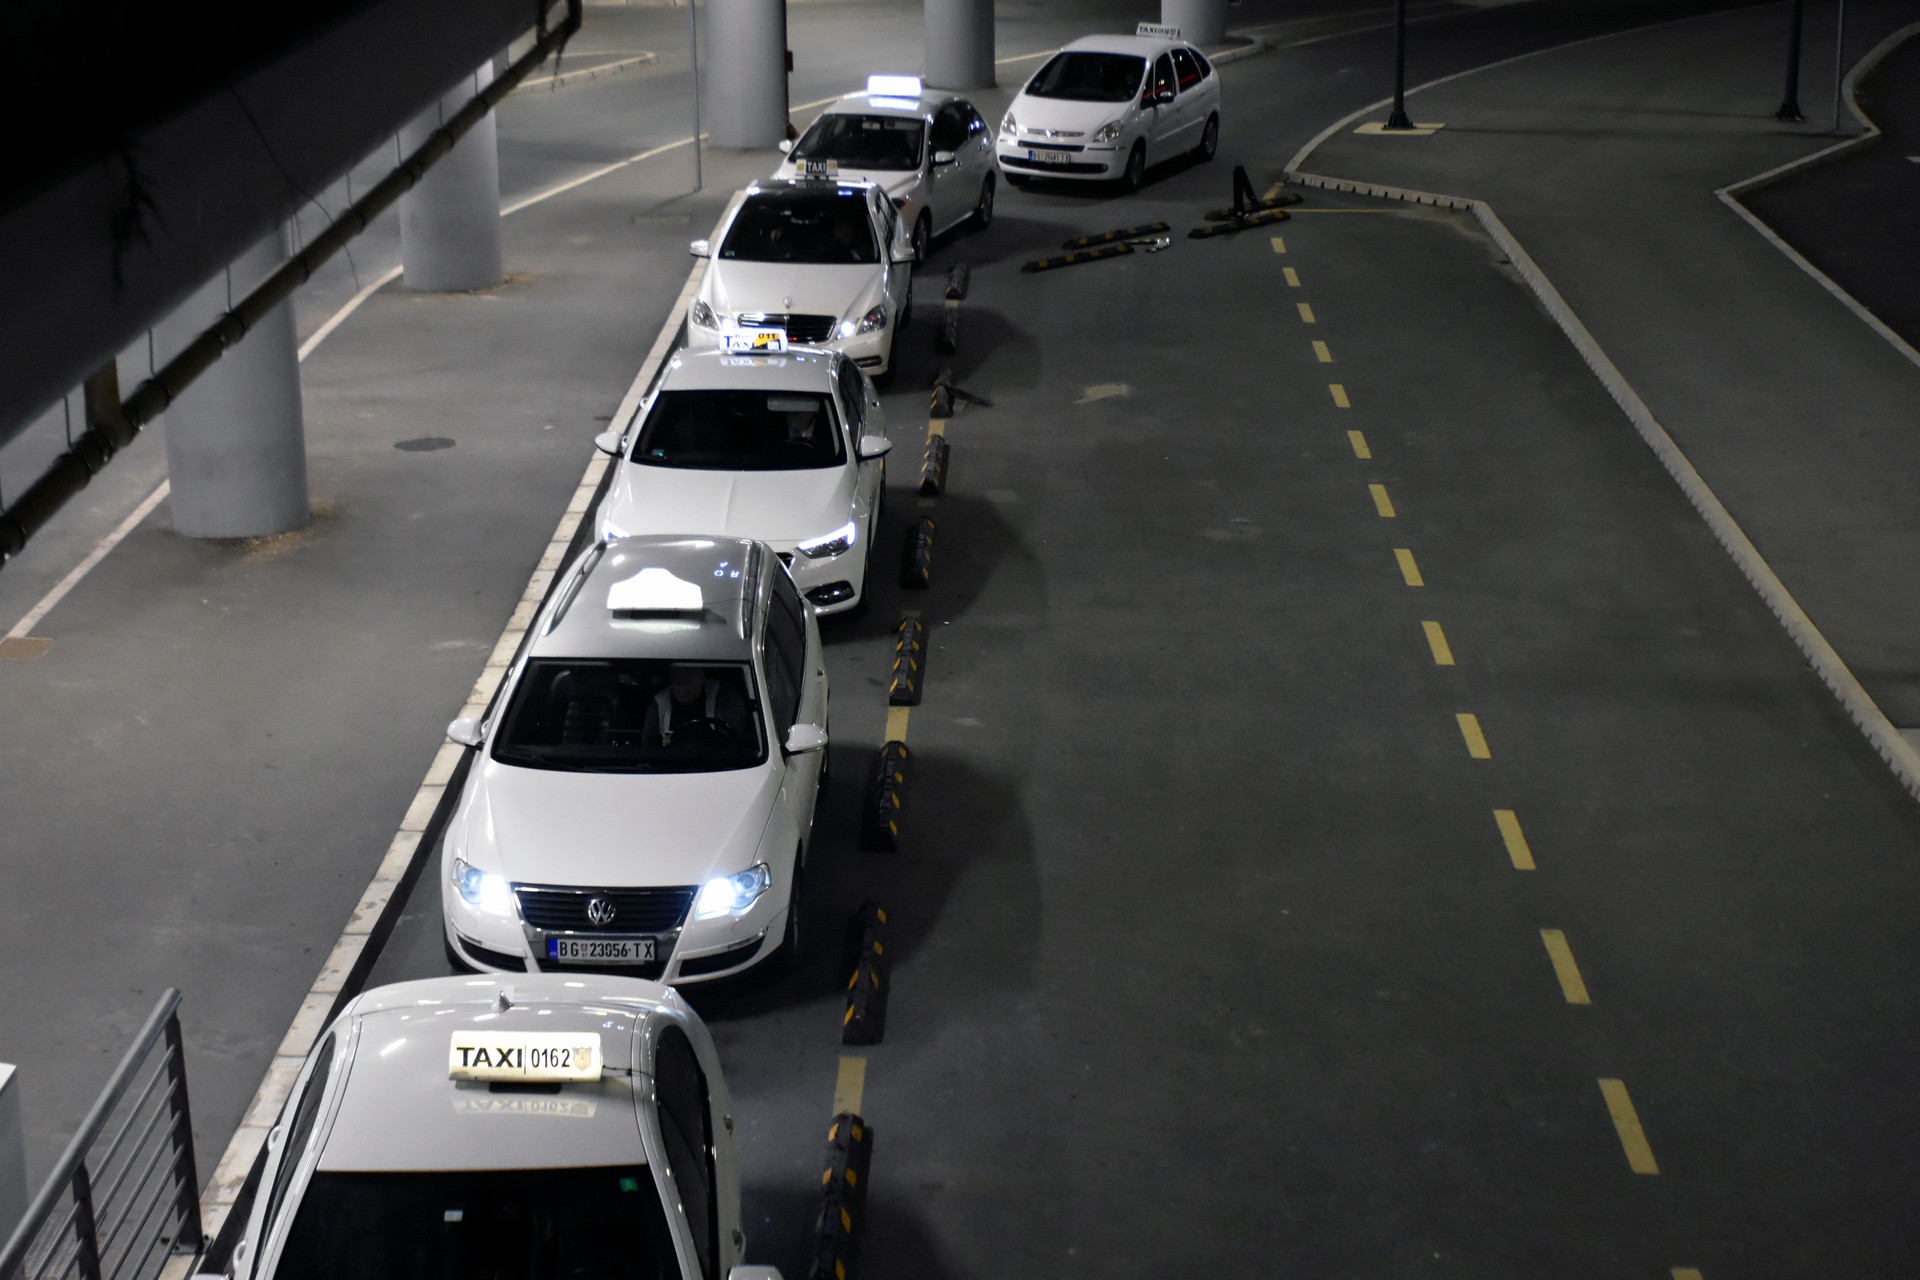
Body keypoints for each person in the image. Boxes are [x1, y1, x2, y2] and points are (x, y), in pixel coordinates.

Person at [642, 664, 752, 750]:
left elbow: (736, 739)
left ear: (701, 677)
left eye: (688, 679)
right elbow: (647, 743)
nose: (683, 688)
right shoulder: (659, 704)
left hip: (717, 765)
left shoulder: (724, 696)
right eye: (678, 681)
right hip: (671, 767)